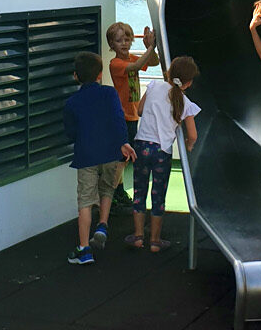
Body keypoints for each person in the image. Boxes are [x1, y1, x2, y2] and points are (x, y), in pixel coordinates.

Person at [62, 52, 136, 266]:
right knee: (107, 189)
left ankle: (84, 249)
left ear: (76, 76)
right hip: (111, 151)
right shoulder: (110, 94)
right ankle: (102, 224)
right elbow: (118, 119)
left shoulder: (72, 103)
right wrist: (123, 141)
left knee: (85, 201)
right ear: (100, 74)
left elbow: (71, 132)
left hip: (85, 154)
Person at [127, 57, 201, 251]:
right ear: (188, 83)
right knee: (158, 195)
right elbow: (192, 135)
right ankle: (155, 241)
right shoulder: (185, 103)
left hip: (141, 145)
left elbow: (141, 110)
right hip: (162, 151)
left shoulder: (153, 86)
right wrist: (188, 146)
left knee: (139, 192)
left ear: (169, 72)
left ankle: (137, 236)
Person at [105, 22, 161, 208]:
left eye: (127, 39)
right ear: (111, 44)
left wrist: (148, 49)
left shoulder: (129, 57)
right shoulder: (116, 63)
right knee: (121, 159)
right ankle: (109, 197)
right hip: (122, 117)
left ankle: (118, 192)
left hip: (132, 115)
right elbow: (137, 65)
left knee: (124, 159)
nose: (124, 43)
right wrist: (152, 46)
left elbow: (154, 62)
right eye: (119, 40)